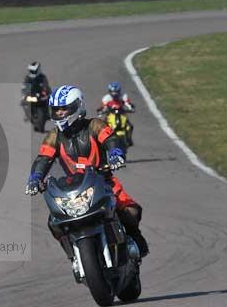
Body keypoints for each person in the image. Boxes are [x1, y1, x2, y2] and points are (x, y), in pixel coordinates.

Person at [24, 85, 150, 265]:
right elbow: (43, 158)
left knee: (130, 210)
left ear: (77, 106)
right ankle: (74, 257)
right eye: (56, 110)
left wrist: (115, 153)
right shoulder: (54, 136)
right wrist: (35, 178)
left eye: (63, 109)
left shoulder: (94, 125)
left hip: (102, 180)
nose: (59, 114)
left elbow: (111, 139)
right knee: (54, 223)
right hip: (72, 188)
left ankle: (134, 240)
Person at [98, 81, 136, 146]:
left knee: (130, 126)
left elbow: (128, 103)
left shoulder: (123, 96)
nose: (114, 94)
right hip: (110, 115)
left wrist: (131, 107)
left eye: (116, 92)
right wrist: (101, 111)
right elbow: (103, 107)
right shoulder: (106, 98)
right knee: (103, 127)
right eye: (113, 92)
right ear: (109, 91)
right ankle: (102, 141)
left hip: (121, 114)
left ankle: (129, 139)